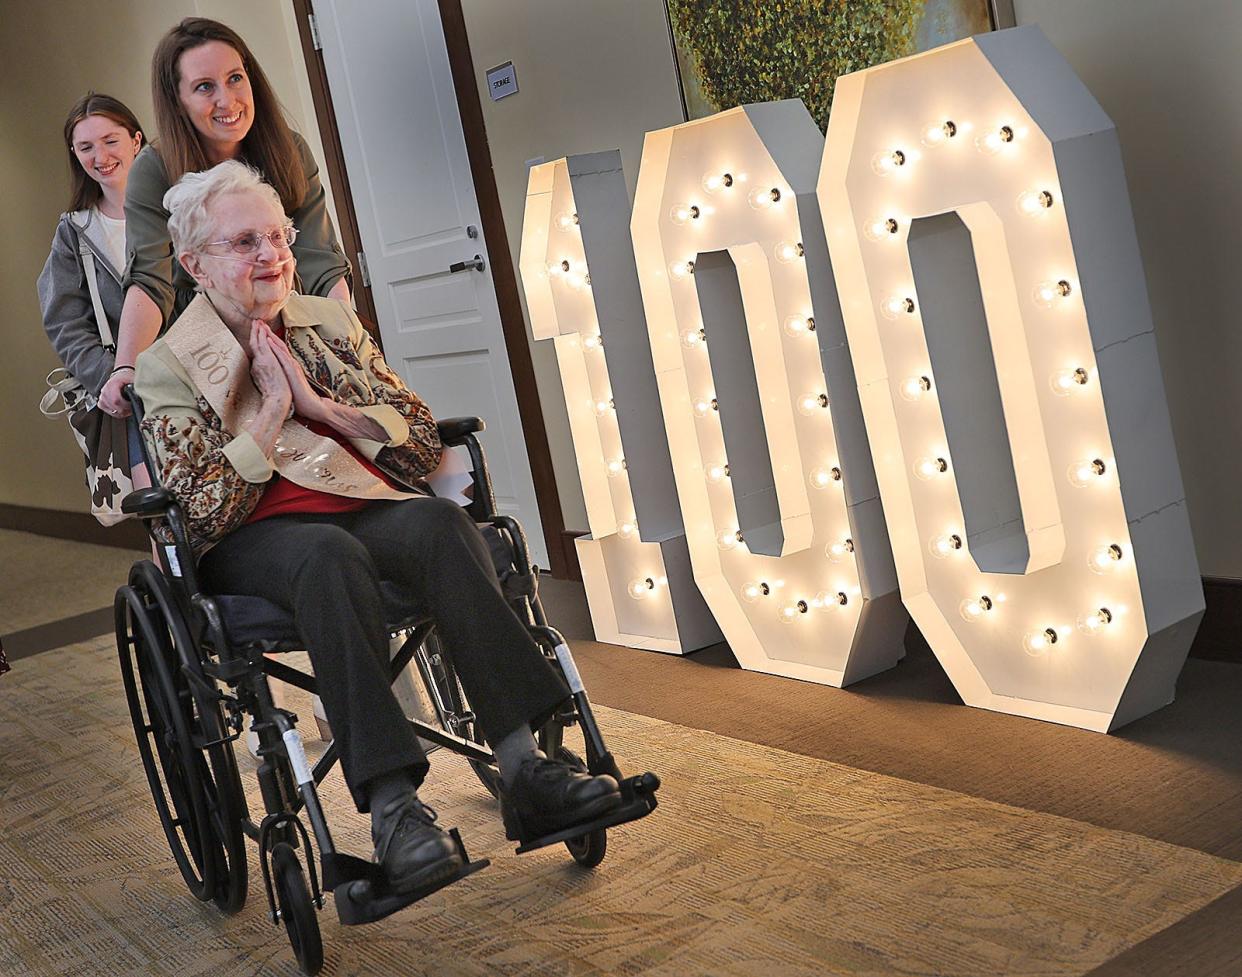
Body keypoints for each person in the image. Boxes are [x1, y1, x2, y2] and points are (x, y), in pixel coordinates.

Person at [134, 160, 623, 895]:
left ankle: (526, 768)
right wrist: (269, 413)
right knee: (329, 555)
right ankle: (395, 812)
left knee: (438, 524)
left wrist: (322, 407)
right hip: (257, 541)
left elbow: (421, 440)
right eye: (244, 243)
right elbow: (204, 509)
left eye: (277, 237)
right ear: (195, 264)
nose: (270, 255)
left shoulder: (326, 323)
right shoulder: (167, 365)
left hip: (367, 505)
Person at [100, 16, 351, 420]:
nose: (227, 100)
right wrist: (127, 367)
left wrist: (348, 346)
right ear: (177, 99)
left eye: (235, 78)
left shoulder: (290, 150)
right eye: (204, 87)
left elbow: (321, 260)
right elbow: (151, 278)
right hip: (207, 345)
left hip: (291, 323)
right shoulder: (154, 169)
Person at [38, 93, 147, 485]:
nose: (100, 156)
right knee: (159, 508)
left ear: (136, 140)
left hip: (203, 379)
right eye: (86, 147)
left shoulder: (179, 208)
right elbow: (65, 323)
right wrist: (113, 379)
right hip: (132, 396)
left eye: (110, 141)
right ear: (74, 153)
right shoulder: (74, 232)